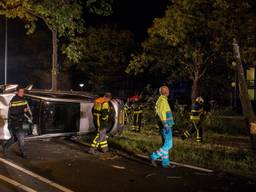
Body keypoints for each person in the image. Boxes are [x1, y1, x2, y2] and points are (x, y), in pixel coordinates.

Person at [2, 86, 32, 158]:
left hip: (23, 121)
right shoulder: (13, 100)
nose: (22, 93)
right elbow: (13, 111)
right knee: (21, 137)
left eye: (23, 92)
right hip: (15, 122)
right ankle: (23, 153)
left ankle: (5, 146)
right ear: (17, 92)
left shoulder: (24, 99)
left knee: (14, 139)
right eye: (20, 91)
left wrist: (29, 115)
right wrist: (23, 110)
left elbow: (26, 109)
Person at [150, 86, 175, 168]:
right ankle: (154, 156)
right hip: (166, 125)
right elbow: (161, 114)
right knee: (168, 145)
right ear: (165, 91)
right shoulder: (162, 101)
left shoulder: (163, 100)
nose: (169, 91)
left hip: (165, 125)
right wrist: (165, 125)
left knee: (165, 144)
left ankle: (165, 163)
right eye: (167, 89)